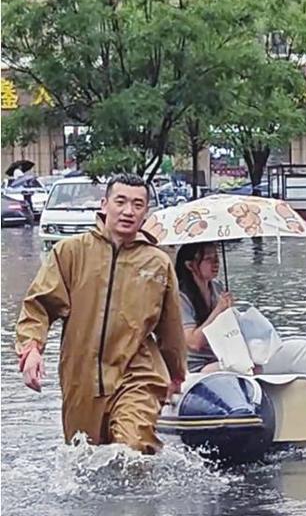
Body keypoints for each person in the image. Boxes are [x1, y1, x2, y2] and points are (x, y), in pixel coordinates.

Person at [16, 173, 187, 454]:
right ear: (104, 205)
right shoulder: (70, 253)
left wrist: (176, 374)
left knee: (133, 448)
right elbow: (39, 306)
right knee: (84, 459)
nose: (128, 211)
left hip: (138, 373)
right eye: (121, 202)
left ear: (146, 212)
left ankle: (140, 498)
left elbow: (171, 327)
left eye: (137, 205)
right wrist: (31, 348)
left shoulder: (157, 263)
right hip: (80, 377)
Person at [175, 242, 235, 373]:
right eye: (208, 259)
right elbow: (194, 343)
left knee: (256, 366)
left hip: (219, 355)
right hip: (195, 365)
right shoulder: (180, 298)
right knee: (241, 368)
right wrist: (218, 310)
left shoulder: (217, 287)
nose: (216, 263)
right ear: (190, 265)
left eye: (216, 257)